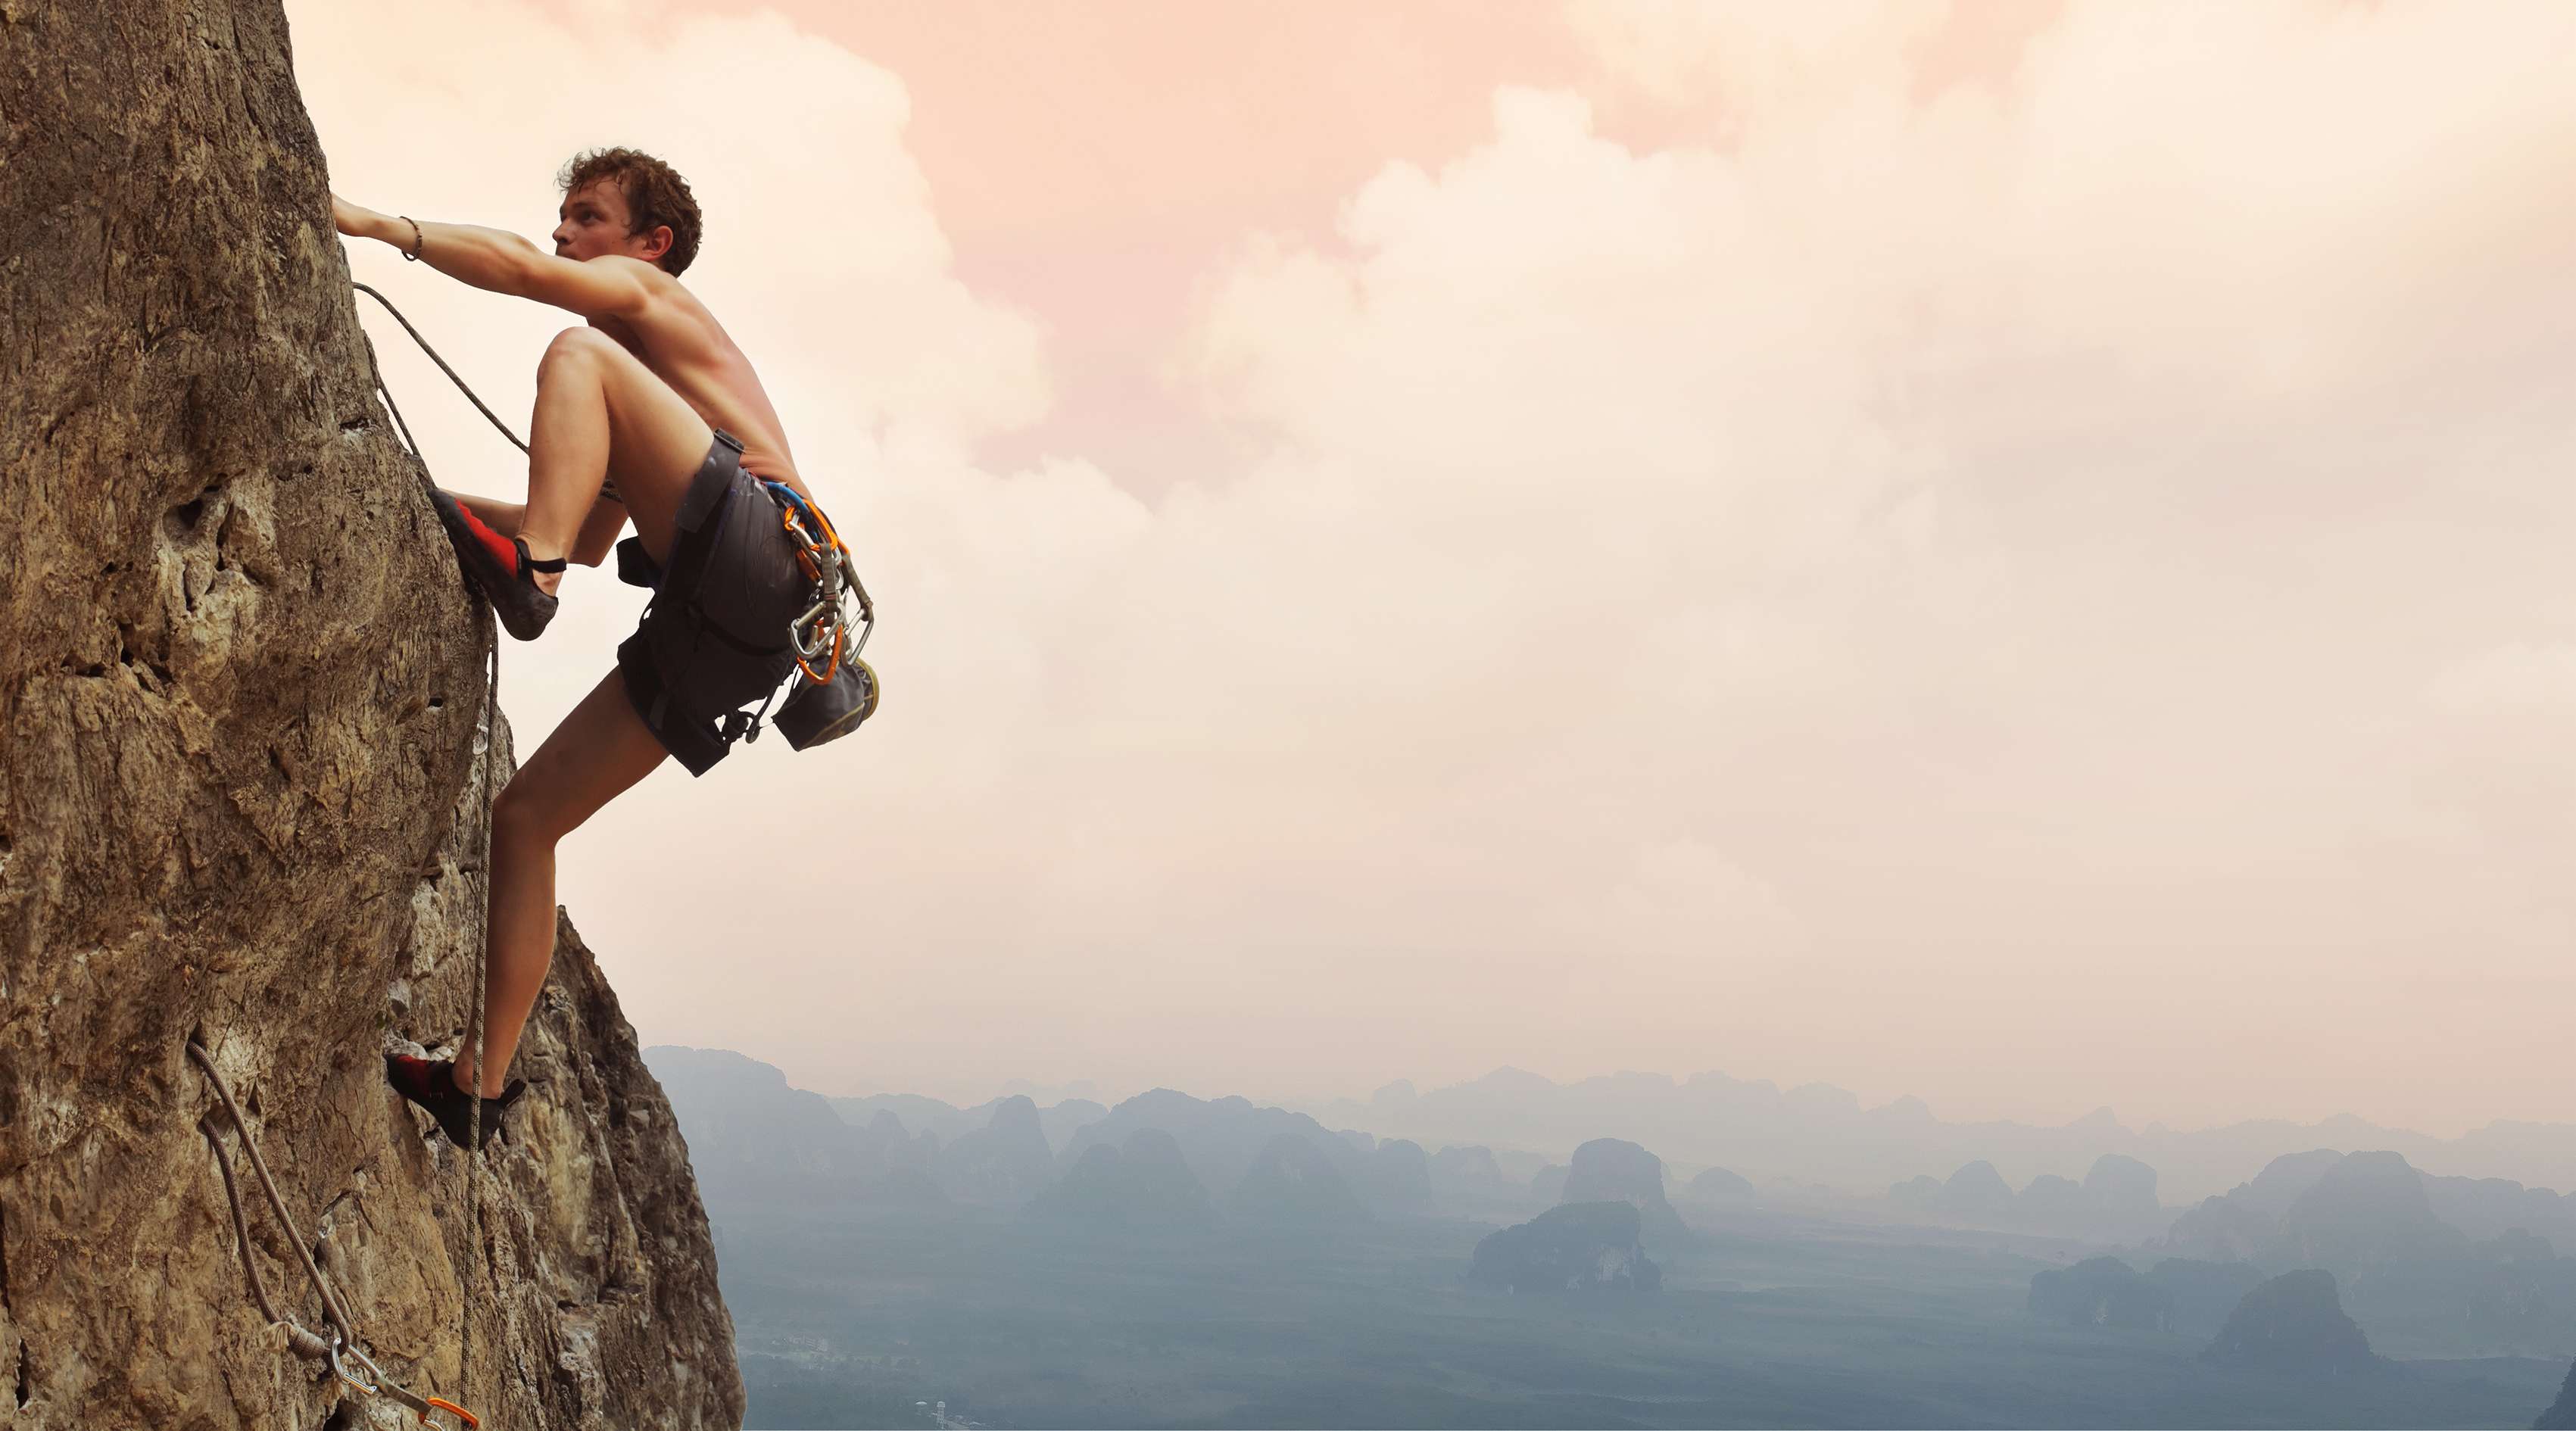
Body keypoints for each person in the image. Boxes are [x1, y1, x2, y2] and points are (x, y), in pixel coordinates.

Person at [336, 148, 818, 1149]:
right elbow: (586, 536)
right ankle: (480, 1078)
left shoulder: (644, 306)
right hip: (737, 638)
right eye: (561, 218)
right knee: (526, 819)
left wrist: (385, 227)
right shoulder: (637, 413)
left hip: (764, 553)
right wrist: (404, 487)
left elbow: (522, 272)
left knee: (572, 348)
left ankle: (527, 578)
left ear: (651, 245)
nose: (563, 234)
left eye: (586, 217)